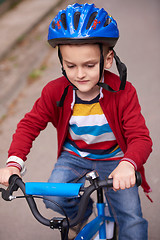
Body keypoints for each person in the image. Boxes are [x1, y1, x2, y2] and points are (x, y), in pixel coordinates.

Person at [0, 3, 152, 240]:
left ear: (108, 59)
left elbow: (140, 137)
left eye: (89, 65)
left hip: (114, 158)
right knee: (53, 197)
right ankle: (80, 218)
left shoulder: (123, 92)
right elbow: (29, 126)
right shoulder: (55, 91)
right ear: (61, 61)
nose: (80, 74)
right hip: (75, 157)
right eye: (71, 66)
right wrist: (13, 164)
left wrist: (128, 165)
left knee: (131, 221)